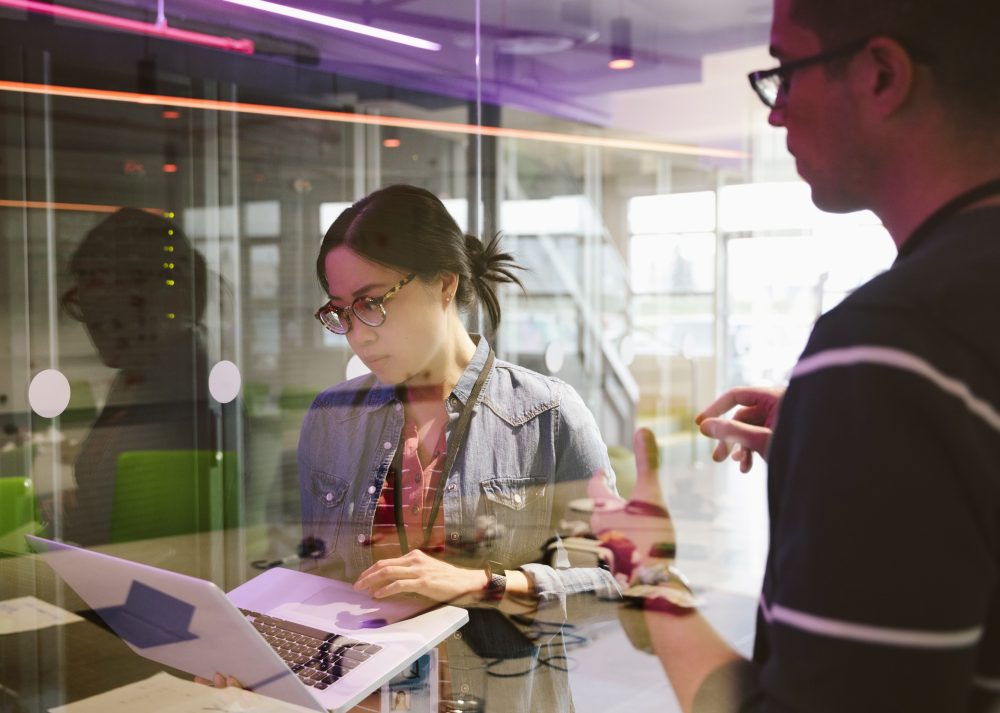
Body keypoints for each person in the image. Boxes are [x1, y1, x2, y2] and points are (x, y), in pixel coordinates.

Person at [609, 0, 1000, 711]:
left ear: (882, 74)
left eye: (786, 73)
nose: (774, 113)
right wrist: (839, 437)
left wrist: (650, 577)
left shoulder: (893, 345)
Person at [296, 184, 620, 711]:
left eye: (372, 303)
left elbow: (617, 582)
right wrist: (266, 665)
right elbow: (317, 581)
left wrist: (477, 585)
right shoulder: (331, 420)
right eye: (340, 312)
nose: (357, 334)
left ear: (444, 285)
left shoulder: (547, 415)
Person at [58, 208, 238, 546]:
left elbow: (167, 531)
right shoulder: (139, 375)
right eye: (88, 311)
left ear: (162, 300)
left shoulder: (186, 391)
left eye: (108, 314)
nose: (95, 329)